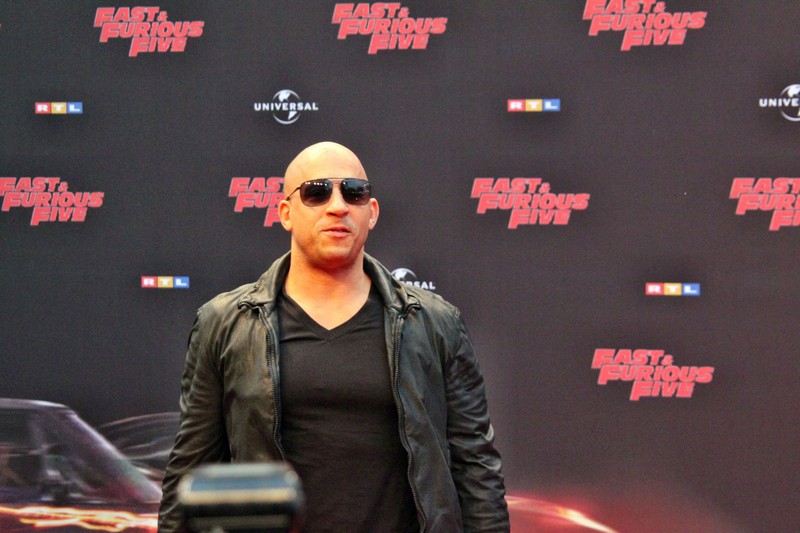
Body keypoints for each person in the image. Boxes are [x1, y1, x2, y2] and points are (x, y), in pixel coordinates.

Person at [158, 141, 509, 532]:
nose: (338, 206)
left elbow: (475, 468)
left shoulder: (436, 323)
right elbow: (189, 472)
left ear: (371, 213)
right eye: (317, 192)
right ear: (286, 213)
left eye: (354, 192)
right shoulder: (224, 324)